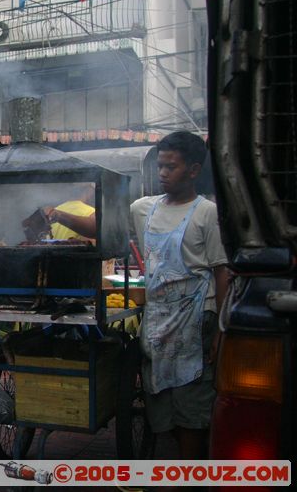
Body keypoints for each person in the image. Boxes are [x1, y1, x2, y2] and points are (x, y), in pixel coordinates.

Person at [131, 131, 228, 459]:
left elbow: (221, 271)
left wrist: (220, 330)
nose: (162, 174)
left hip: (195, 321)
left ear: (193, 170)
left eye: (170, 167)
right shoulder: (144, 209)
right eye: (160, 166)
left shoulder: (207, 213)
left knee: (191, 404)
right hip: (158, 322)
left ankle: (187, 474)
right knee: (160, 403)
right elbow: (103, 226)